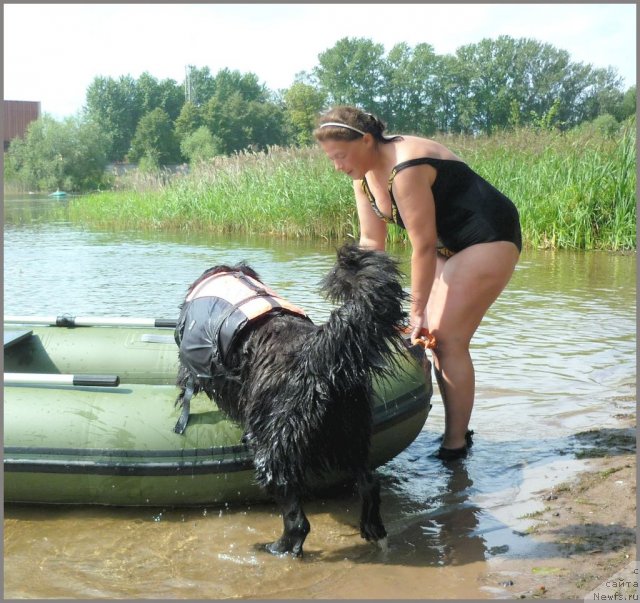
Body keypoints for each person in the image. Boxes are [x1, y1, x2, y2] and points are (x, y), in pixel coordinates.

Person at [314, 106, 521, 460]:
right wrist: (363, 309)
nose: (338, 166)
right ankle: (452, 430)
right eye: (331, 159)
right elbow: (371, 244)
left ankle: (456, 443)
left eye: (341, 156)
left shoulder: (406, 167)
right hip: (447, 245)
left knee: (447, 339)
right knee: (431, 339)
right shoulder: (361, 178)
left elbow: (421, 246)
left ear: (366, 140)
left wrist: (416, 312)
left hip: (489, 238)